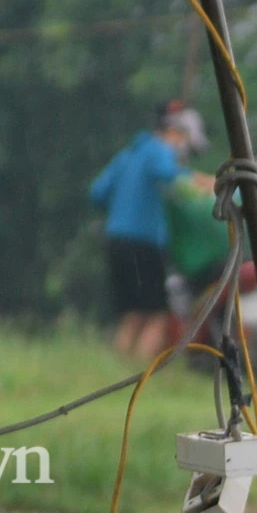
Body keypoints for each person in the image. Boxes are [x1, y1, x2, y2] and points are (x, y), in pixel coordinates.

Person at [92, 101, 208, 359]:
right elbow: (173, 177)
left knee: (131, 314)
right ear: (174, 132)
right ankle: (140, 375)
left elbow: (98, 192)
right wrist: (206, 184)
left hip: (116, 240)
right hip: (143, 244)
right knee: (157, 315)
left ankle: (116, 372)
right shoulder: (159, 150)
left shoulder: (128, 154)